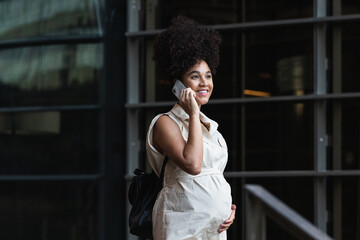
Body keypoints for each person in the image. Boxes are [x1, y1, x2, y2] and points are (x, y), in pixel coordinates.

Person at [146, 16, 236, 240]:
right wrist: (193, 113)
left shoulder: (211, 129)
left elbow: (213, 176)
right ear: (177, 84)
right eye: (194, 76)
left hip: (214, 230)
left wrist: (226, 206)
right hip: (182, 226)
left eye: (208, 76)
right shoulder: (165, 122)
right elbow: (192, 164)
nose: (204, 83)